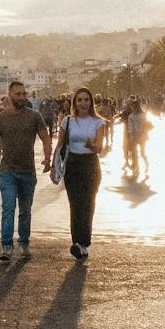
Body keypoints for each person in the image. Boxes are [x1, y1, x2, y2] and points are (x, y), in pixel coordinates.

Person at [0, 81, 53, 262]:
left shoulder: (35, 116)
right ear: (10, 95)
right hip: (8, 171)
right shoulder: (0, 119)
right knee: (8, 207)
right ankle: (6, 246)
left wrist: (47, 157)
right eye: (18, 94)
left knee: (25, 211)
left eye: (24, 94)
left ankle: (24, 241)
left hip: (28, 172)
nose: (22, 97)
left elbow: (46, 138)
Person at [57, 86, 109, 260]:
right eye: (79, 100)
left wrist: (91, 145)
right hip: (72, 164)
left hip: (90, 165)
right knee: (75, 204)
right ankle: (77, 243)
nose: (83, 103)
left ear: (91, 102)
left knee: (87, 204)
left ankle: (84, 242)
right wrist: (54, 166)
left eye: (86, 99)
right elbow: (60, 145)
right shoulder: (67, 121)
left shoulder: (98, 122)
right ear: (74, 102)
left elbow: (100, 147)